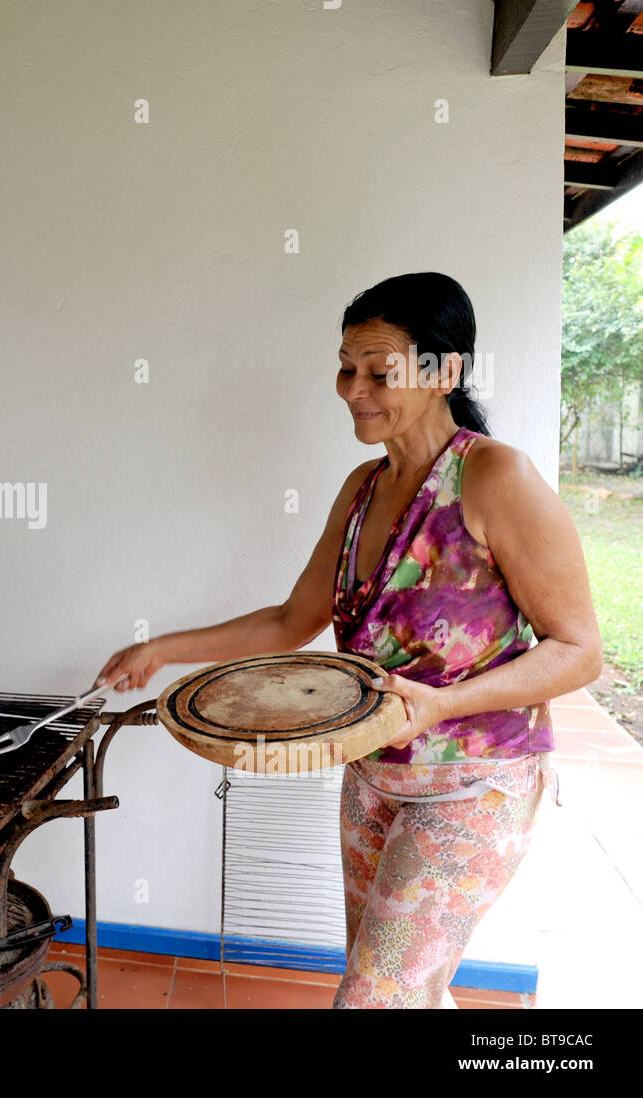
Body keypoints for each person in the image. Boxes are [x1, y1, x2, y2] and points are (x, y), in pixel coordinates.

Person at [93, 272, 602, 1008]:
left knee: (373, 997)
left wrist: (444, 701)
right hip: (372, 777)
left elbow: (578, 649)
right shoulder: (363, 487)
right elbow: (292, 621)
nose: (351, 388)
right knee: (399, 991)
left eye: (377, 371)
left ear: (444, 372)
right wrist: (164, 647)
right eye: (345, 367)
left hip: (475, 784)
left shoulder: (494, 477)